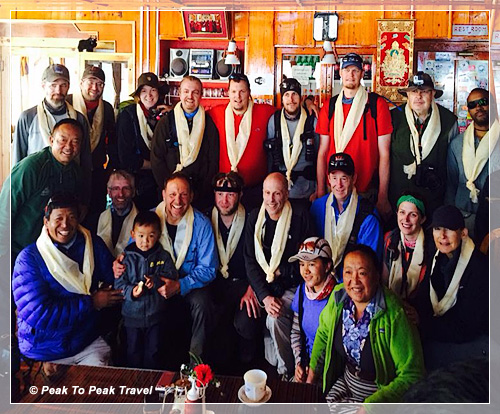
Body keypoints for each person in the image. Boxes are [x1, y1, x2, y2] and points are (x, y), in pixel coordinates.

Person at [11, 194, 122, 370]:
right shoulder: (29, 259)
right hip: (45, 347)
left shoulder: (91, 243)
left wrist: (125, 266)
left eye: (71, 217)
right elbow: (40, 314)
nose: (65, 225)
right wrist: (92, 302)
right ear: (46, 222)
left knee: (103, 386)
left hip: (85, 339)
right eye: (58, 218)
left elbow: (114, 280)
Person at [114, 172, 218, 360]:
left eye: (184, 194)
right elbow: (131, 248)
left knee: (203, 303)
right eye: (172, 194)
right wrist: (119, 263)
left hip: (188, 283)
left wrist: (180, 285)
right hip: (154, 283)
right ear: (163, 195)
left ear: (191, 196)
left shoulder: (202, 224)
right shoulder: (150, 218)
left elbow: (208, 269)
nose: (177, 200)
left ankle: (195, 362)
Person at [307, 244, 425, 403]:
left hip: (379, 396)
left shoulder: (394, 314)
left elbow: (413, 374)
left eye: (362, 273)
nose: (354, 281)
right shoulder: (339, 297)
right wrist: (311, 378)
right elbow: (323, 334)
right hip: (346, 383)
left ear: (377, 276)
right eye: (348, 272)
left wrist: (370, 406)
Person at [244, 172, 312, 379]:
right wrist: (264, 296)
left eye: (276, 194)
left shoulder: (300, 215)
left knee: (275, 318)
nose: (271, 200)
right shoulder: (255, 217)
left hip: (294, 284)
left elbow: (308, 259)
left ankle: (286, 372)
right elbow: (250, 261)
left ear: (286, 194)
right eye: (267, 193)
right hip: (265, 287)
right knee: (248, 320)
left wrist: (283, 270)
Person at [316, 53, 393, 219]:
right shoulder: (329, 107)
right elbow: (323, 151)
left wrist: (383, 195)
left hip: (366, 189)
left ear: (362, 74)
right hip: (335, 188)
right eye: (347, 70)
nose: (350, 75)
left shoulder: (376, 104)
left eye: (355, 70)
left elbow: (384, 154)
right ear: (340, 73)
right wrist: (321, 190)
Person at [413, 205, 488, 370]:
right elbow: (424, 295)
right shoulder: (437, 254)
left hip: (469, 340)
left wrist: (423, 325)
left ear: (463, 233)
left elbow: (466, 326)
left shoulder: (479, 268)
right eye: (438, 229)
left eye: (449, 229)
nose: (442, 236)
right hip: (438, 328)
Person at [1, 119, 87, 260]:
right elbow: (5, 211)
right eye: (62, 140)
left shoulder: (76, 174)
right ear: (51, 140)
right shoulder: (31, 168)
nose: (68, 147)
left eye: (75, 142)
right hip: (18, 251)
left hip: (52, 254)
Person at [11, 63, 92, 204]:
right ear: (43, 86)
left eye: (63, 85)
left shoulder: (79, 119)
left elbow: (85, 161)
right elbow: (18, 158)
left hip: (69, 188)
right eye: (53, 85)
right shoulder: (28, 117)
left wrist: (84, 199)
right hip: (35, 187)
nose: (58, 90)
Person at [209, 172, 261, 368]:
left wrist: (252, 287)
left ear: (240, 195)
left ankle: (248, 366)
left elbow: (261, 260)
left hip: (244, 285)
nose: (224, 200)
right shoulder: (206, 218)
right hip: (216, 285)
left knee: (247, 319)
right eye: (220, 194)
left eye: (230, 194)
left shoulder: (252, 219)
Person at [390, 71, 458, 216]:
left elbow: (454, 166)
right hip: (399, 201)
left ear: (433, 94)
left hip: (435, 201)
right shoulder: (393, 118)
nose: (418, 96)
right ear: (407, 95)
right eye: (414, 91)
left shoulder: (449, 121)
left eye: (424, 92)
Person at [115, 211, 177, 369]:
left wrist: (156, 281)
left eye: (151, 236)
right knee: (133, 352)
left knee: (154, 352)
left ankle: (152, 386)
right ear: (133, 234)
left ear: (158, 235)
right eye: (141, 236)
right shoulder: (126, 258)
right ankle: (136, 385)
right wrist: (131, 292)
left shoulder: (163, 256)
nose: (145, 241)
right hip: (131, 316)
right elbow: (119, 284)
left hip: (156, 315)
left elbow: (172, 275)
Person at [151, 75, 219, 212]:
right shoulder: (166, 123)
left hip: (199, 195)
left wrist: (197, 193)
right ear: (179, 93)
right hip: (170, 195)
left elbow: (213, 161)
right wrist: (169, 189)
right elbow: (157, 159)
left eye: (195, 92)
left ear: (201, 95)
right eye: (186, 91)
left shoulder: (209, 124)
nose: (190, 96)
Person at [209, 73, 275, 210]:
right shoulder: (216, 113)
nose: (237, 97)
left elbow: (290, 110)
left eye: (242, 92)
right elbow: (192, 113)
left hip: (255, 189)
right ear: (228, 93)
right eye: (233, 91)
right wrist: (172, 112)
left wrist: (308, 102)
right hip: (225, 190)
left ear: (249, 93)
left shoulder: (264, 111)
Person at [310, 153, 383, 275]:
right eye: (334, 178)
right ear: (328, 179)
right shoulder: (317, 207)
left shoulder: (368, 216)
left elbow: (369, 266)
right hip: (321, 278)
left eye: (344, 178)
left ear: (354, 178)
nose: (339, 185)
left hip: (352, 283)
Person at [445, 88, 500, 239]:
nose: (478, 107)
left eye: (483, 102)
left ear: (493, 104)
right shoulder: (458, 144)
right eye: (472, 105)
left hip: (495, 219)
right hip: (464, 217)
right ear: (469, 110)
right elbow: (451, 184)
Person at [67, 65, 117, 227]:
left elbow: (113, 142)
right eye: (90, 82)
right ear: (81, 83)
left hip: (96, 173)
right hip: (70, 169)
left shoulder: (107, 109)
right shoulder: (67, 103)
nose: (95, 88)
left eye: (100, 84)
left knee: (95, 218)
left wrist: (109, 170)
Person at [116, 72, 168, 211]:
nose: (149, 95)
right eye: (144, 91)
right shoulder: (127, 115)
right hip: (137, 184)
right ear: (138, 95)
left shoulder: (166, 115)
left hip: (160, 183)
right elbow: (126, 157)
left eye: (153, 90)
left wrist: (172, 115)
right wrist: (156, 165)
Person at [288, 237, 336, 383]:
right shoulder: (302, 291)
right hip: (306, 363)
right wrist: (299, 363)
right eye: (302, 264)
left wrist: (315, 371)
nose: (306, 271)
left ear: (327, 266)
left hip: (329, 370)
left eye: (312, 264)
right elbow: (296, 331)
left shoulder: (338, 297)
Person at [265, 78, 319, 204]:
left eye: (294, 94)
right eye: (287, 95)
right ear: (282, 98)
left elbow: (320, 156)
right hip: (280, 193)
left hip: (307, 192)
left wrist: (318, 189)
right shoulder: (274, 120)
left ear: (300, 97)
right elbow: (269, 158)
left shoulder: (312, 120)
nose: (291, 99)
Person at [383, 192, 429, 300]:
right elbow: (384, 279)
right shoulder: (390, 239)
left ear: (422, 219)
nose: (406, 219)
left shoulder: (430, 246)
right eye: (402, 212)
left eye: (413, 214)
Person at [97, 170, 138, 257]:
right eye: (116, 188)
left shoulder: (142, 220)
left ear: (133, 192)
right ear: (109, 192)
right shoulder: (97, 219)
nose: (121, 194)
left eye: (126, 188)